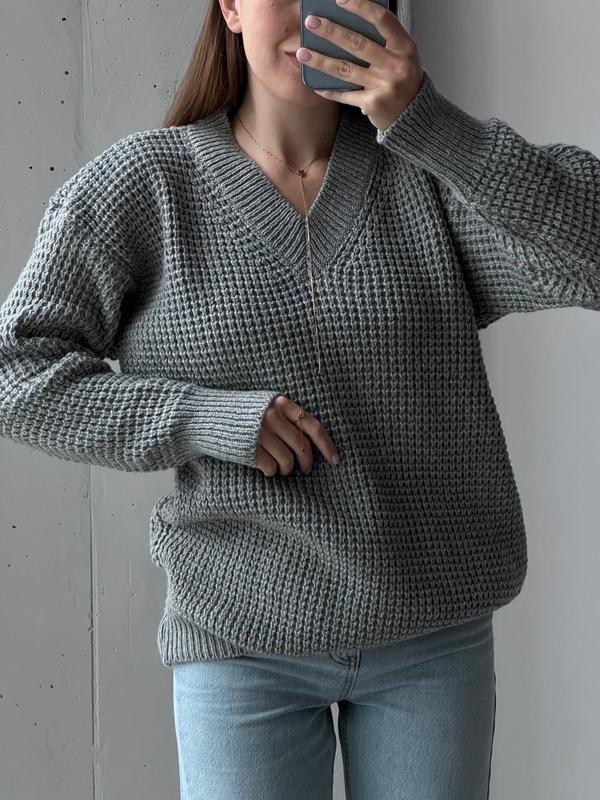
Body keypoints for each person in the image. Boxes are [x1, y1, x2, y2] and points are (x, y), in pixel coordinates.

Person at [1, 0, 598, 797]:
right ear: (231, 7)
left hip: (431, 635)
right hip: (240, 638)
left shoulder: (426, 176)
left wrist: (429, 124)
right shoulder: (145, 186)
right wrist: (202, 418)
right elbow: (16, 374)